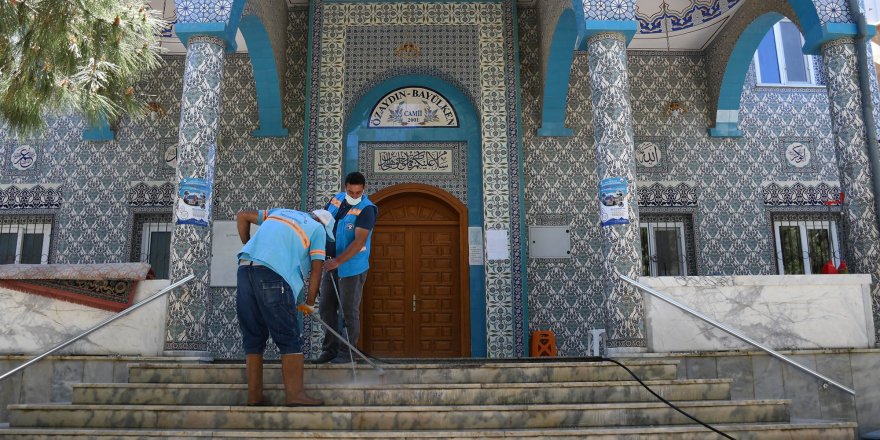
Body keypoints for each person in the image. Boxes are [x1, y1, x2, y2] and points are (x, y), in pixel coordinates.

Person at [236, 207, 336, 406]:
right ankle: (295, 395)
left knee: (253, 336)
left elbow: (242, 216)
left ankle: (254, 396)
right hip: (273, 275)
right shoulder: (317, 229)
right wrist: (309, 303)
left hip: (245, 269)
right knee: (289, 336)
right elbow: (317, 270)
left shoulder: (279, 212)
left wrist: (248, 245)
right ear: (323, 224)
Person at [312, 171, 378, 364]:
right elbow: (324, 218)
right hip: (331, 263)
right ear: (345, 188)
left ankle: (345, 353)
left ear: (363, 189)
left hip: (352, 267)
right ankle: (329, 350)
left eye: (358, 193)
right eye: (351, 192)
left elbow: (359, 242)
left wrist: (338, 261)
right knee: (326, 308)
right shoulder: (337, 199)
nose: (354, 195)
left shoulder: (367, 209)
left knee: (348, 311)